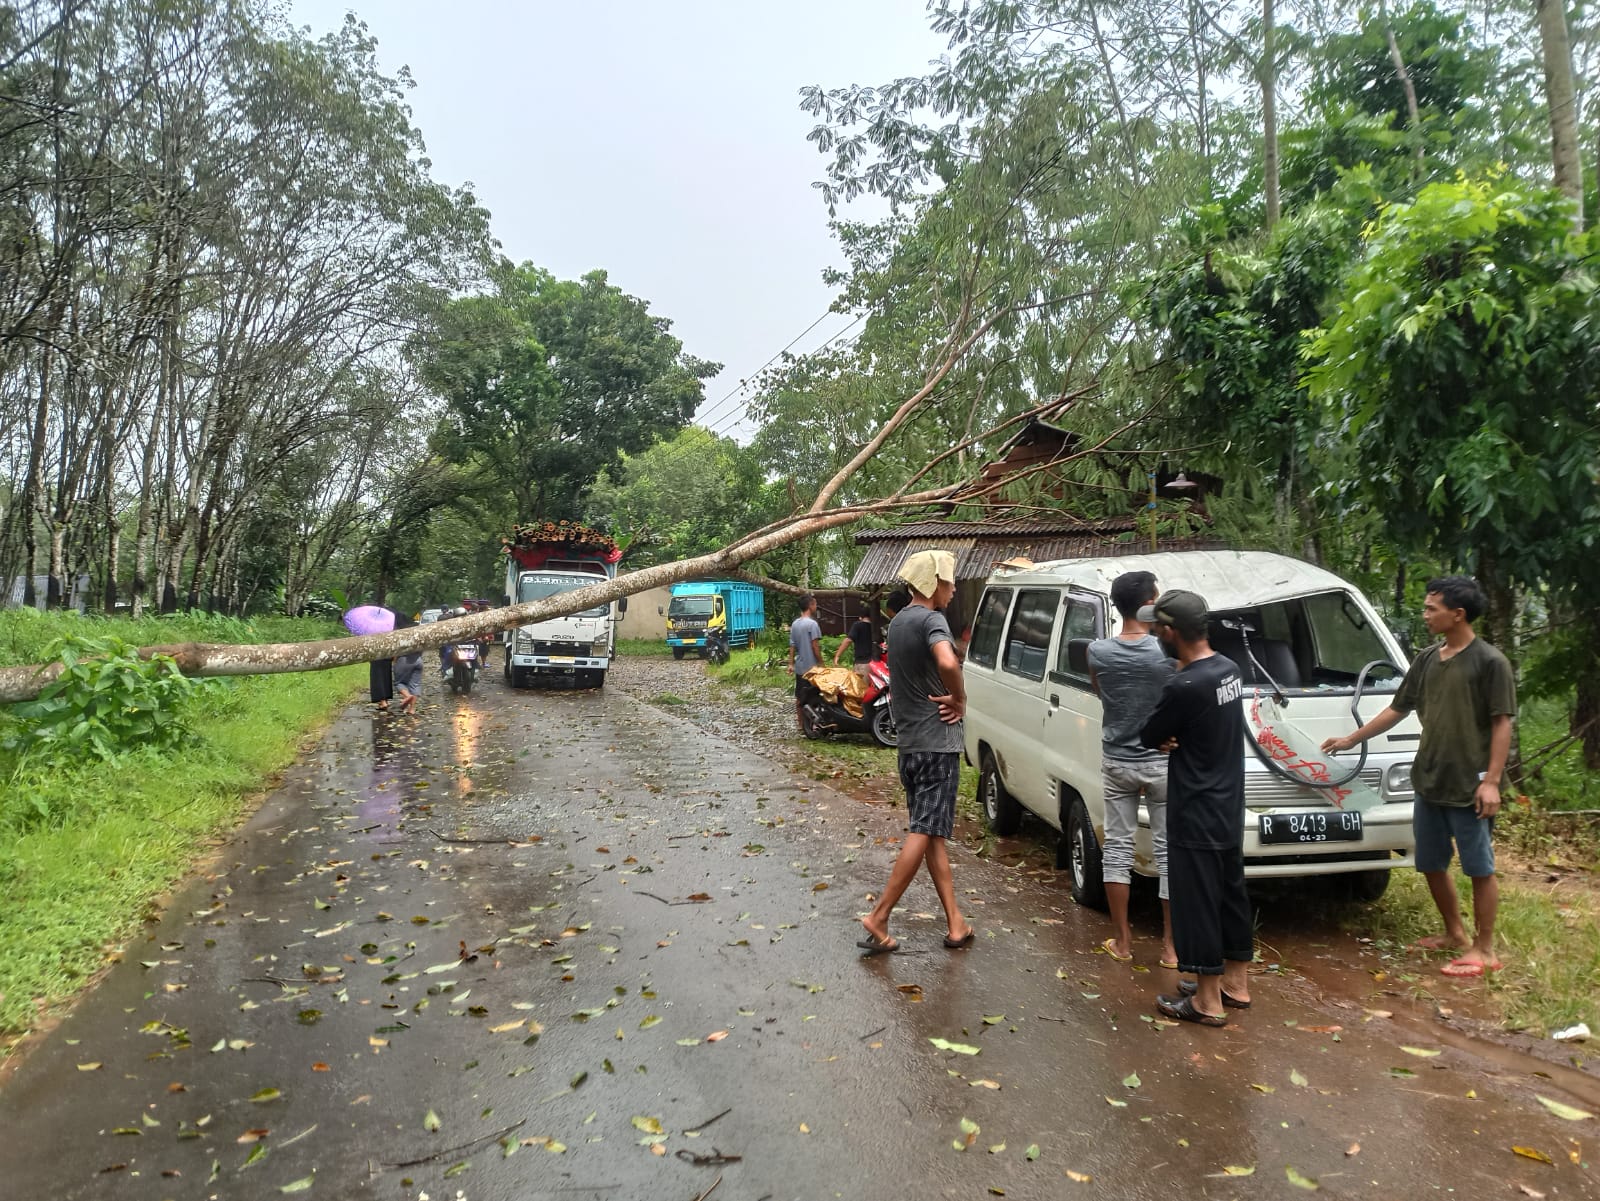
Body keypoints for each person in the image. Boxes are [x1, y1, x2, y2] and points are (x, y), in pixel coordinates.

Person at [1321, 576, 1514, 978]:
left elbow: (1502, 724)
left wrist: (1492, 781)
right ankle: (1455, 934)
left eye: (1432, 609)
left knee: (1479, 868)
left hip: (1470, 785)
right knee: (1429, 862)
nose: (1425, 615)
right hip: (1428, 780)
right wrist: (1351, 738)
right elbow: (1398, 708)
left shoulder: (1490, 662)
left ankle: (1485, 949)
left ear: (1457, 614)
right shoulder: (1428, 658)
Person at [1138, 589, 1252, 1027]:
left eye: (1156, 628)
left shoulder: (1185, 684)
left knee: (1198, 904)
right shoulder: (1228, 670)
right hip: (1227, 805)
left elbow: (1151, 733)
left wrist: (1166, 735)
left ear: (1170, 632)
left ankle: (1207, 1001)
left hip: (1196, 809)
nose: (1152, 633)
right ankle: (1236, 985)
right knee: (1229, 895)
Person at [857, 550, 974, 955]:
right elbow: (946, 660)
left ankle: (955, 921)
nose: (954, 587)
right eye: (949, 581)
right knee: (924, 830)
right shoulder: (931, 620)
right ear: (933, 583)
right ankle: (880, 915)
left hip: (910, 748)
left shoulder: (898, 623)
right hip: (936, 745)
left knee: (932, 835)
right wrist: (959, 699)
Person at [1086, 571, 1176, 967]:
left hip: (1119, 761)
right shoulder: (1168, 653)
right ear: (1148, 603)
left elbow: (1100, 692)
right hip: (1163, 763)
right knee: (1170, 853)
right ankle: (1171, 949)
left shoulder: (1098, 652)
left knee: (1118, 850)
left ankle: (1122, 943)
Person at [786, 594, 824, 733]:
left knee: (800, 697)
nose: (816, 606)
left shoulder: (795, 624)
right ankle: (813, 724)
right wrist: (821, 662)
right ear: (810, 606)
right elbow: (815, 646)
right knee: (814, 696)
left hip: (800, 667)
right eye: (815, 604)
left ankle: (801, 724)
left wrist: (791, 664)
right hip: (812, 668)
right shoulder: (812, 624)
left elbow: (792, 646)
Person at [392, 614, 423, 714]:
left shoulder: (402, 635)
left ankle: (407, 696)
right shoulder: (420, 636)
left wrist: (394, 660)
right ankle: (412, 709)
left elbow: (397, 651)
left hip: (404, 660)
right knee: (415, 685)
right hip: (418, 660)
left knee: (399, 683)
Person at [834, 607, 877, 679]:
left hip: (862, 664)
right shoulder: (875, 628)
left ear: (861, 616)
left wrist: (837, 655)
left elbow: (848, 640)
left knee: (860, 688)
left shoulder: (858, 625)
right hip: (874, 664)